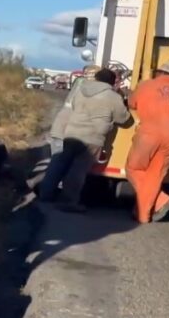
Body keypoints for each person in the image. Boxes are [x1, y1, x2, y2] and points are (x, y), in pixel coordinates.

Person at [40, 68, 130, 211]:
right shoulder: (112, 96)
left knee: (59, 164)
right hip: (92, 138)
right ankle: (68, 202)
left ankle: (45, 195)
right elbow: (124, 118)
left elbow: (74, 107)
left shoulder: (81, 90)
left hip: (71, 133)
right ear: (112, 82)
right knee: (78, 171)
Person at [125, 60, 169, 223]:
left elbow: (131, 103)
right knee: (155, 176)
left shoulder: (145, 85)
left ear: (159, 72)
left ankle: (162, 200)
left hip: (148, 133)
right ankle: (143, 216)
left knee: (133, 169)